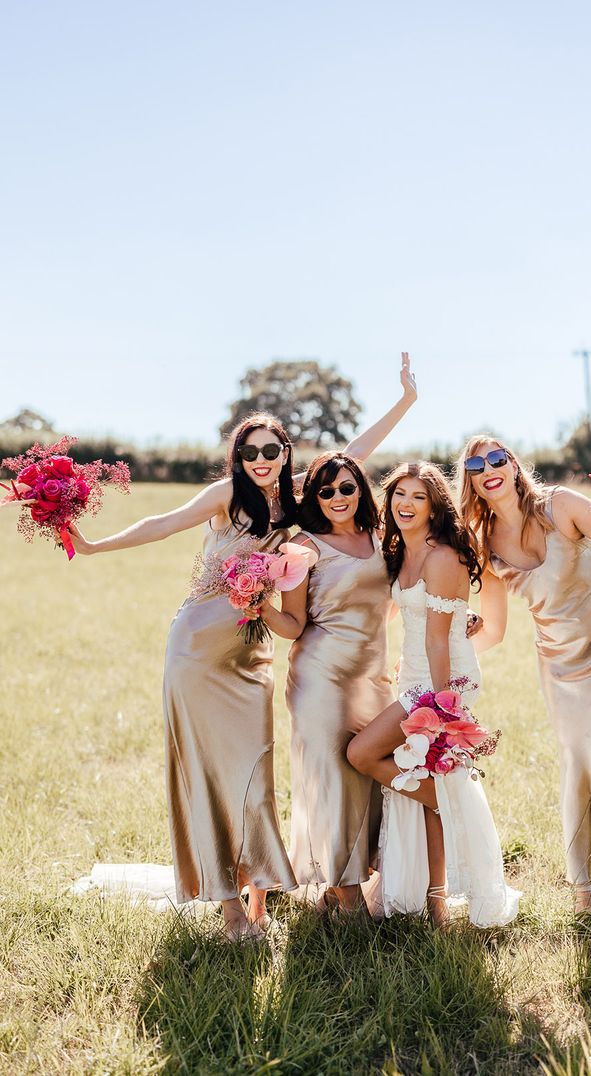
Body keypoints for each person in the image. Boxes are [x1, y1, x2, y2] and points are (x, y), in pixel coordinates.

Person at [63, 356, 418, 940]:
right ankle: (232, 913)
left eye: (271, 452)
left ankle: (258, 894)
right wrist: (95, 546)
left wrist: (404, 401)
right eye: (250, 452)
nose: (261, 461)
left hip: (252, 656)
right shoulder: (227, 495)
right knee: (210, 772)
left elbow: (355, 453)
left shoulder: (298, 496)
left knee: (254, 776)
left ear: (285, 457)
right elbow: (161, 522)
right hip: (199, 649)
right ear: (238, 457)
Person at [457, 435, 591, 913]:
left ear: (513, 466)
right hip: (560, 661)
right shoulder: (483, 544)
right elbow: (493, 630)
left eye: (497, 458)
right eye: (476, 465)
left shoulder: (560, 505)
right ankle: (582, 890)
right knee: (578, 761)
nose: (489, 468)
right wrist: (443, 646)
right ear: (471, 481)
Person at [347, 463, 520, 927]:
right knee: (423, 784)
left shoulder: (442, 556)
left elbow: (438, 639)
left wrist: (443, 709)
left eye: (418, 497)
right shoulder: (398, 550)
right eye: (399, 494)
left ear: (434, 505)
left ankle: (446, 800)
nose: (405, 504)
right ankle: (436, 902)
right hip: (416, 677)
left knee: (362, 753)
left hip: (441, 681)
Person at [260, 452, 393, 913]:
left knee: (371, 779)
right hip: (322, 679)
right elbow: (294, 624)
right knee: (332, 779)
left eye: (347, 488)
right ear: (314, 498)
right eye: (326, 491)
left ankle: (351, 884)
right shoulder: (303, 547)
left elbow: (391, 602)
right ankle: (345, 892)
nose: (338, 497)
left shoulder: (380, 538)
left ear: (360, 489)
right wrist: (254, 602)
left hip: (374, 679)